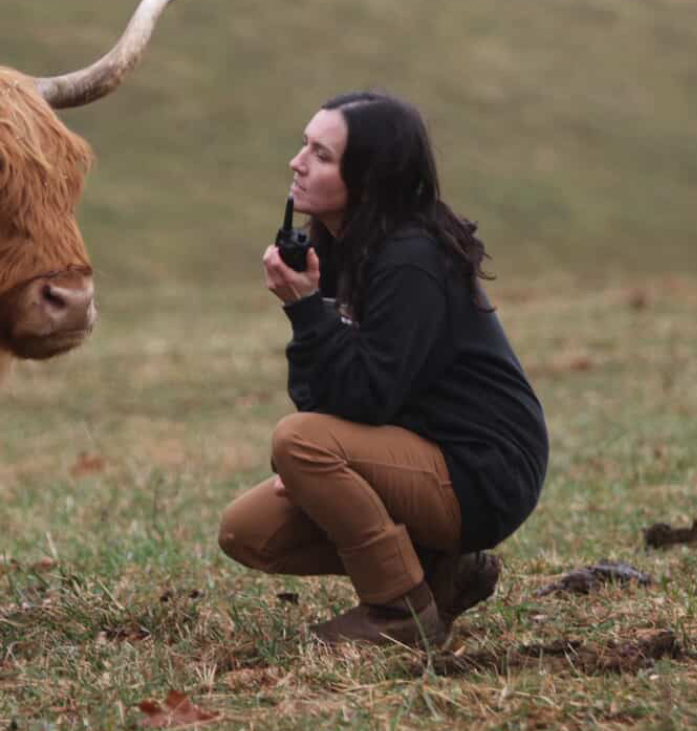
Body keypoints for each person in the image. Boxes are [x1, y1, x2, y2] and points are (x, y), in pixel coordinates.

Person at [218, 91, 549, 647]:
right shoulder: (338, 248)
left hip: (481, 469)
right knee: (248, 531)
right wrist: (314, 466)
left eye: (321, 155)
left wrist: (303, 313)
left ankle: (400, 611)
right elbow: (327, 391)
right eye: (305, 146)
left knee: (299, 443)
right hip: (417, 451)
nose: (297, 163)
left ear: (367, 178)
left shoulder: (411, 258)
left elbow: (367, 397)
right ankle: (442, 574)